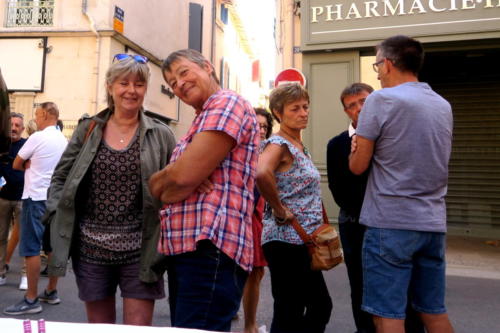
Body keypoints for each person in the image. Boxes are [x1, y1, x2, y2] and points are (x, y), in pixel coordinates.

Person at [40, 54, 176, 325]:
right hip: (91, 250)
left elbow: (175, 180)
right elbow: (60, 177)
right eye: (124, 83)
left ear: (145, 89)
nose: (131, 90)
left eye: (138, 84)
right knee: (100, 329)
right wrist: (57, 213)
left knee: (137, 330)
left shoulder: (161, 134)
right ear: (110, 86)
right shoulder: (88, 129)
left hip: (141, 251)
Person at [349, 35, 454, 333]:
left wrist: (355, 146)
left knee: (387, 315)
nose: (378, 73)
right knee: (433, 312)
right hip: (432, 222)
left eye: (377, 65)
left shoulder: (381, 100)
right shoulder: (442, 104)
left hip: (390, 222)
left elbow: (358, 167)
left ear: (389, 64)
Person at [149, 49, 259, 332]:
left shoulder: (226, 103)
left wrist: (177, 181)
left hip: (210, 247)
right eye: (172, 83)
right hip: (193, 250)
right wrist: (170, 181)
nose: (179, 84)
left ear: (208, 67)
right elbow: (159, 187)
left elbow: (182, 178)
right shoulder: (201, 119)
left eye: (184, 72)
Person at [327, 83, 425, 333]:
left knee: (405, 287)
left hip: (397, 225)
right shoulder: (337, 145)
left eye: (364, 101)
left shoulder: (393, 136)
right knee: (361, 289)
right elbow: (340, 192)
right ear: (347, 112)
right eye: (352, 105)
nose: (359, 108)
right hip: (356, 226)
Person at [256, 82, 332, 333]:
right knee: (293, 308)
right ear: (278, 113)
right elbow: (261, 172)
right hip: (285, 240)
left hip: (302, 240)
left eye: (305, 107)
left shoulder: (298, 145)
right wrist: (278, 208)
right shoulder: (279, 144)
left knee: (310, 306)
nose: (303, 112)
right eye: (295, 109)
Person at [4, 102, 67, 315]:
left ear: (46, 115)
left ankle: (31, 299)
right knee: (51, 247)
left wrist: (28, 163)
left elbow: (16, 164)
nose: (36, 119)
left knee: (31, 247)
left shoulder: (37, 137)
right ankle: (51, 291)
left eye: (38, 115)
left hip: (34, 197)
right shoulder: (63, 140)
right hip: (54, 198)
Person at [242, 107, 273, 333]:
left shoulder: (271, 150)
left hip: (263, 216)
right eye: (257, 125)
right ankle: (250, 325)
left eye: (264, 126)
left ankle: (249, 323)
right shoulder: (242, 149)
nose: (261, 130)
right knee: (250, 271)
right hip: (248, 215)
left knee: (256, 272)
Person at [0, 112, 26, 286]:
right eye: (12, 125)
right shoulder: (1, 145)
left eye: (18, 125)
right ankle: (1, 273)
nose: (14, 128)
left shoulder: (27, 145)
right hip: (2, 199)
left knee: (26, 237)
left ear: (23, 129)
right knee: (0, 237)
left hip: (23, 198)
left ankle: (25, 275)